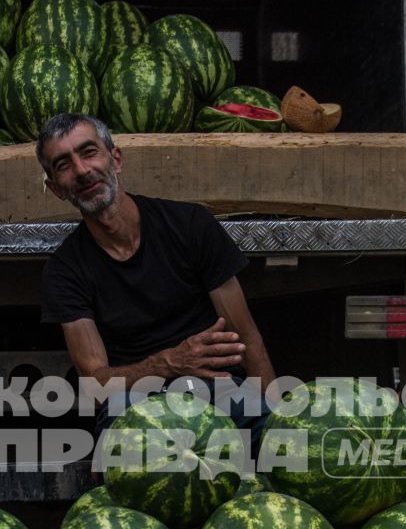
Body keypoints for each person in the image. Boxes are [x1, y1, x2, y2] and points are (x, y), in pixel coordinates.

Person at [35, 113, 275, 429]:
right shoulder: (65, 270)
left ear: (115, 159)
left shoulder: (190, 225)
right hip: (136, 397)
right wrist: (166, 364)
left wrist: (279, 423)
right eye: (64, 165)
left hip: (217, 384)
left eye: (89, 151)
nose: (82, 170)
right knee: (135, 458)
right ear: (56, 189)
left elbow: (246, 337)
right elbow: (96, 386)